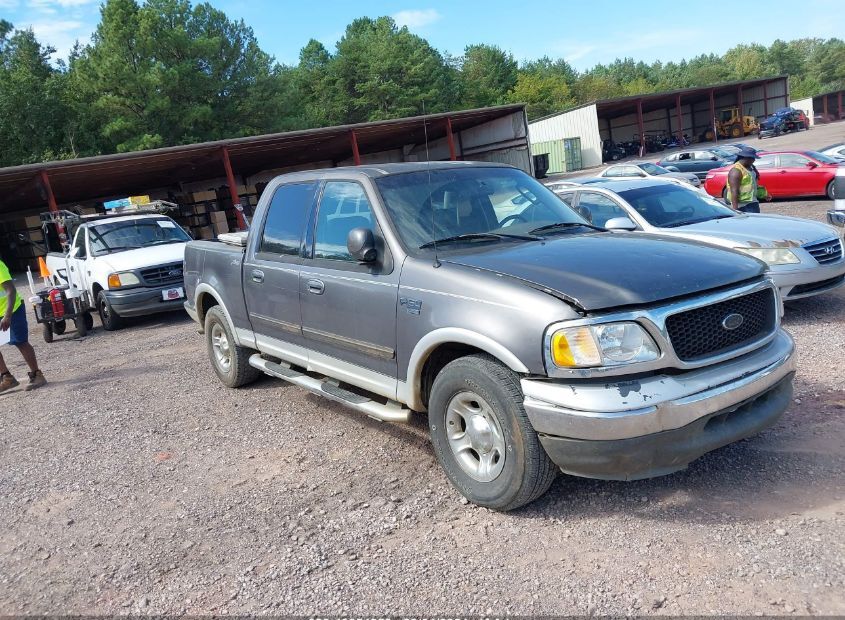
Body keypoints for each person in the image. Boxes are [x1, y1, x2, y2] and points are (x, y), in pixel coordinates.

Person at [0, 259, 47, 392]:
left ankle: (37, 374)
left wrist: (7, 315)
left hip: (11, 309)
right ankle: (7, 378)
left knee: (20, 342)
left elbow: (11, 291)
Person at [726, 146, 770, 213]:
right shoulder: (736, 171)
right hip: (742, 205)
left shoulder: (751, 167)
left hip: (753, 202)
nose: (754, 160)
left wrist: (764, 195)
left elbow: (754, 185)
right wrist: (735, 210)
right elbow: (734, 191)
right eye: (753, 158)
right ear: (746, 158)